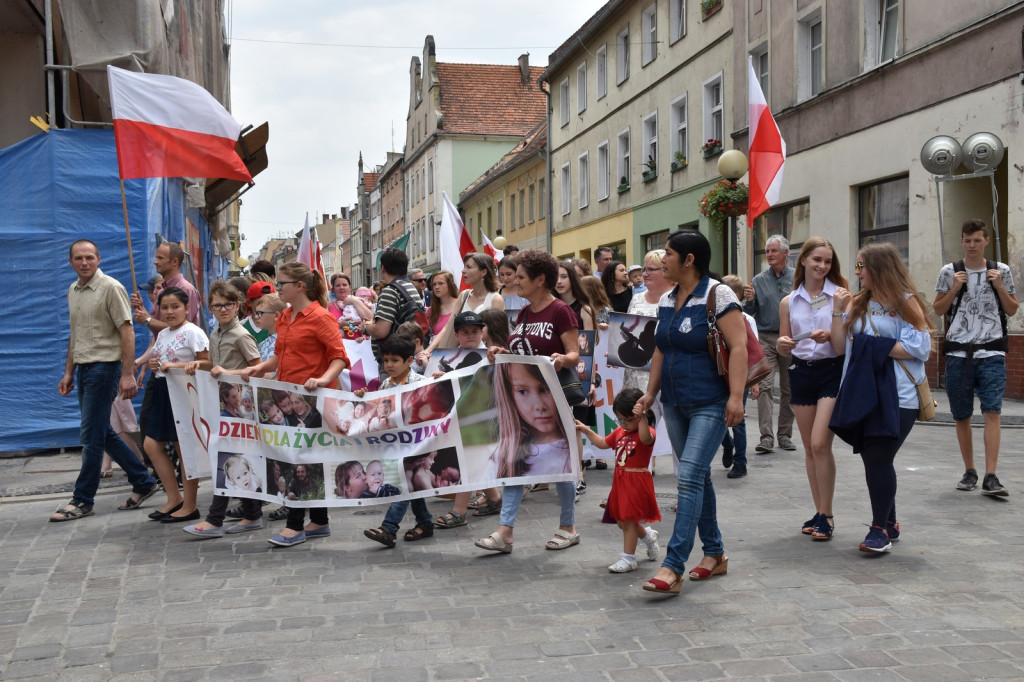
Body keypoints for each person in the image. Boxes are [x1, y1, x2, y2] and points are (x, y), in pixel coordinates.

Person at [637, 230, 746, 595]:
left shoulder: (719, 294)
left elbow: (740, 347)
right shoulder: (668, 298)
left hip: (711, 402)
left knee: (688, 479)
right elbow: (659, 350)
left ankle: (673, 565)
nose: (660, 260)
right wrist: (650, 394)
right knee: (699, 478)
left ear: (688, 260)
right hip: (675, 402)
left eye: (667, 254)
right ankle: (715, 553)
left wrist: (735, 397)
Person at [475, 249, 580, 554]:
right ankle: (505, 530)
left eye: (521, 276)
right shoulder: (523, 313)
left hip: (555, 397)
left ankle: (568, 527)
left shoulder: (560, 311)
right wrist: (498, 351)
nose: (515, 281)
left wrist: (563, 359)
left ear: (540, 279)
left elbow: (574, 352)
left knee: (561, 463)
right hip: (525, 403)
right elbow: (516, 349)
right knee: (515, 460)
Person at [831, 243, 932, 553]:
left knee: (879, 458)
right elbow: (840, 347)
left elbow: (921, 346)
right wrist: (838, 311)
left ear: (879, 268)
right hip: (863, 390)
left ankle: (879, 531)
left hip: (900, 395)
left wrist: (870, 345)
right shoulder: (859, 301)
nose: (858, 272)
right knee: (872, 457)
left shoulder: (905, 301)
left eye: (862, 266)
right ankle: (889, 521)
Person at [241, 261, 349, 547]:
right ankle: (320, 521)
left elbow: (339, 357)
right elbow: (279, 354)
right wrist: (259, 368)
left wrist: (322, 378)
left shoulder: (321, 317)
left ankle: (294, 525)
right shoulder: (285, 316)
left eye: (283, 284)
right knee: (306, 459)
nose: (278, 288)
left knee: (299, 459)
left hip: (314, 400)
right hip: (290, 396)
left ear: (300, 286)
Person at [50, 240, 159, 522]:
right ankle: (143, 481)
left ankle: (82, 499)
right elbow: (76, 335)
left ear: (98, 259)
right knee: (102, 431)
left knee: (90, 436)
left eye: (89, 257)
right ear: (71, 262)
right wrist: (68, 371)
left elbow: (127, 331)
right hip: (84, 368)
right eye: (78, 258)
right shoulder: (73, 290)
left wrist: (126, 374)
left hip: (105, 368)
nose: (84, 262)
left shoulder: (111, 287)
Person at [933, 219, 1018, 497]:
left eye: (977, 240)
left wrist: (1000, 286)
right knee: (962, 415)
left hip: (992, 350)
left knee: (993, 410)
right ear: (962, 241)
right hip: (958, 352)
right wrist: (955, 288)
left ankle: (991, 476)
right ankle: (970, 470)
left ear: (986, 241)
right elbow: (938, 308)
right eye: (967, 240)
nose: (972, 245)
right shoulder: (950, 271)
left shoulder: (1001, 270)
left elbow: (1012, 310)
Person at [775, 240, 850, 538]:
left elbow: (842, 346)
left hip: (832, 372)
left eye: (828, 262)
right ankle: (819, 511)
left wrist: (832, 324)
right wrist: (783, 344)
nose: (822, 266)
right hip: (801, 371)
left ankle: (828, 515)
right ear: (803, 260)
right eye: (817, 260)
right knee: (809, 447)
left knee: (820, 443)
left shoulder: (841, 296)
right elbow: (784, 343)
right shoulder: (789, 301)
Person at [361, 334, 438, 548]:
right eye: (386, 360)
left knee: (405, 483)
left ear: (409, 361)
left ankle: (389, 528)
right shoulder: (386, 384)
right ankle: (424, 522)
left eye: (394, 360)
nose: (389, 365)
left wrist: (441, 378)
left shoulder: (423, 383)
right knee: (409, 483)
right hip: (397, 445)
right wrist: (363, 397)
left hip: (419, 444)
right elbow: (377, 411)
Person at [141, 287, 210, 523]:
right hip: (162, 391)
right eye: (165, 307)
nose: (170, 312)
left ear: (187, 308)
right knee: (151, 445)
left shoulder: (194, 333)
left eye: (175, 307)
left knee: (185, 449)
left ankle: (190, 504)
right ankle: (174, 498)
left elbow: (206, 364)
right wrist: (153, 364)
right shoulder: (162, 334)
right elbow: (160, 360)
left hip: (184, 392)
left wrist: (176, 366)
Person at [576, 388, 661, 573]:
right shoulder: (620, 431)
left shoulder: (646, 431)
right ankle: (647, 536)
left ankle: (628, 558)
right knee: (623, 522)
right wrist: (585, 429)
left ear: (638, 416)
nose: (623, 423)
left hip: (636, 482)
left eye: (628, 419)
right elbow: (602, 443)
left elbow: (647, 439)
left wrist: (643, 418)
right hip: (621, 482)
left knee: (629, 521)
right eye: (620, 419)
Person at [431, 312, 502, 528]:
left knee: (468, 461)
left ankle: (459, 511)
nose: (470, 335)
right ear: (457, 335)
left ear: (483, 332)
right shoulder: (449, 357)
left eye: (475, 331)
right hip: (459, 416)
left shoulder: (492, 354)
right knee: (472, 459)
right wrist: (439, 378)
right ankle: (494, 499)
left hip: (484, 417)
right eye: (465, 332)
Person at [742, 234, 795, 454]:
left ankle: (784, 435)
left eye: (774, 251)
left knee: (789, 389)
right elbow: (748, 314)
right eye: (767, 251)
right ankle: (766, 437)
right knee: (764, 387)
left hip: (791, 338)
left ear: (785, 253)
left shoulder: (797, 277)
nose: (769, 255)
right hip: (765, 337)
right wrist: (750, 300)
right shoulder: (757, 280)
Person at [717, 275, 760, 480]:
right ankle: (727, 443)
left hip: (739, 375)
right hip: (718, 373)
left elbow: (753, 351)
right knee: (718, 416)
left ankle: (740, 461)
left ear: (735, 295)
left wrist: (755, 382)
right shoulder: (714, 315)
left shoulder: (747, 319)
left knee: (738, 420)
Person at [420, 253, 504, 358]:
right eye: (464, 267)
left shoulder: (496, 299)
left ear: (483, 272)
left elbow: (497, 336)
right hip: (459, 356)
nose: (463, 271)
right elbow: (448, 327)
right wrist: (429, 350)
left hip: (484, 358)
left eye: (469, 267)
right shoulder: (464, 296)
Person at [363, 248, 422, 375]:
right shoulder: (410, 287)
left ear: (383, 268)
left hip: (394, 360)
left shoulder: (390, 291)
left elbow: (381, 331)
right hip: (407, 356)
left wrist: (366, 327)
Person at [327, 273, 373, 340]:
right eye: (338, 285)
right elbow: (325, 327)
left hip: (361, 346)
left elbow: (370, 318)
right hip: (340, 346)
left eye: (344, 285)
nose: (341, 287)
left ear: (350, 288)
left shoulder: (359, 301)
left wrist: (354, 301)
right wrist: (339, 324)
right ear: (333, 289)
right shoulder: (328, 306)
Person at [425, 271, 460, 343]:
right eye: (434, 284)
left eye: (440, 283)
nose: (436, 287)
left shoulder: (461, 304)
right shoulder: (431, 311)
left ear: (450, 285)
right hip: (436, 352)